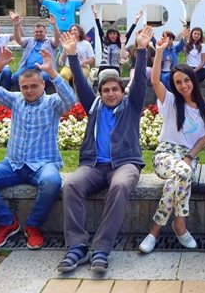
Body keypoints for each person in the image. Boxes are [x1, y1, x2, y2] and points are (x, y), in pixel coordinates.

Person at [56, 26, 152, 273]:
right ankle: (76, 247)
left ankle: (101, 249)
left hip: (125, 164)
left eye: (115, 89)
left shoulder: (132, 106)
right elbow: (79, 82)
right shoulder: (94, 107)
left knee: (119, 186)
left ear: (122, 91)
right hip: (94, 165)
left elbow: (140, 80)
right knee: (71, 185)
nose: (110, 94)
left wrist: (141, 50)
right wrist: (72, 56)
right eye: (106, 90)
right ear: (100, 93)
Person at [0, 45, 76, 251]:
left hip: (43, 165)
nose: (29, 90)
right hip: (13, 164)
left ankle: (33, 225)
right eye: (25, 87)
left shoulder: (53, 103)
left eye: (33, 86)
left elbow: (71, 100)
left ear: (43, 85)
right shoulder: (16, 100)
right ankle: (7, 222)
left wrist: (53, 71)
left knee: (52, 181)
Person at [137, 37, 205, 253]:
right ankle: (179, 225)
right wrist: (159, 52)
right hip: (165, 154)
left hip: (187, 157)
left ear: (193, 80)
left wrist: (189, 157)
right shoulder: (170, 101)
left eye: (186, 81)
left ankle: (155, 230)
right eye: (178, 82)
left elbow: (203, 138)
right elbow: (154, 81)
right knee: (184, 173)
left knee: (181, 176)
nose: (183, 85)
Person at [10, 12, 61, 85]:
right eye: (36, 32)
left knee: (44, 77)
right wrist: (16, 26)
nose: (38, 33)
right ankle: (23, 95)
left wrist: (54, 25)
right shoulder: (29, 40)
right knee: (15, 77)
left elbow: (57, 40)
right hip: (27, 68)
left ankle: (41, 95)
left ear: (45, 32)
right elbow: (18, 39)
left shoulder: (49, 41)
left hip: (44, 69)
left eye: (41, 32)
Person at [91, 5, 141, 74]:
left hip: (115, 69)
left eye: (114, 34)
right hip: (103, 69)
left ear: (117, 35)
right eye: (110, 34)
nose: (112, 35)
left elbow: (130, 32)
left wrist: (136, 19)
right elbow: (99, 28)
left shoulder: (120, 43)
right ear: (108, 35)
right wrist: (95, 14)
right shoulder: (104, 42)